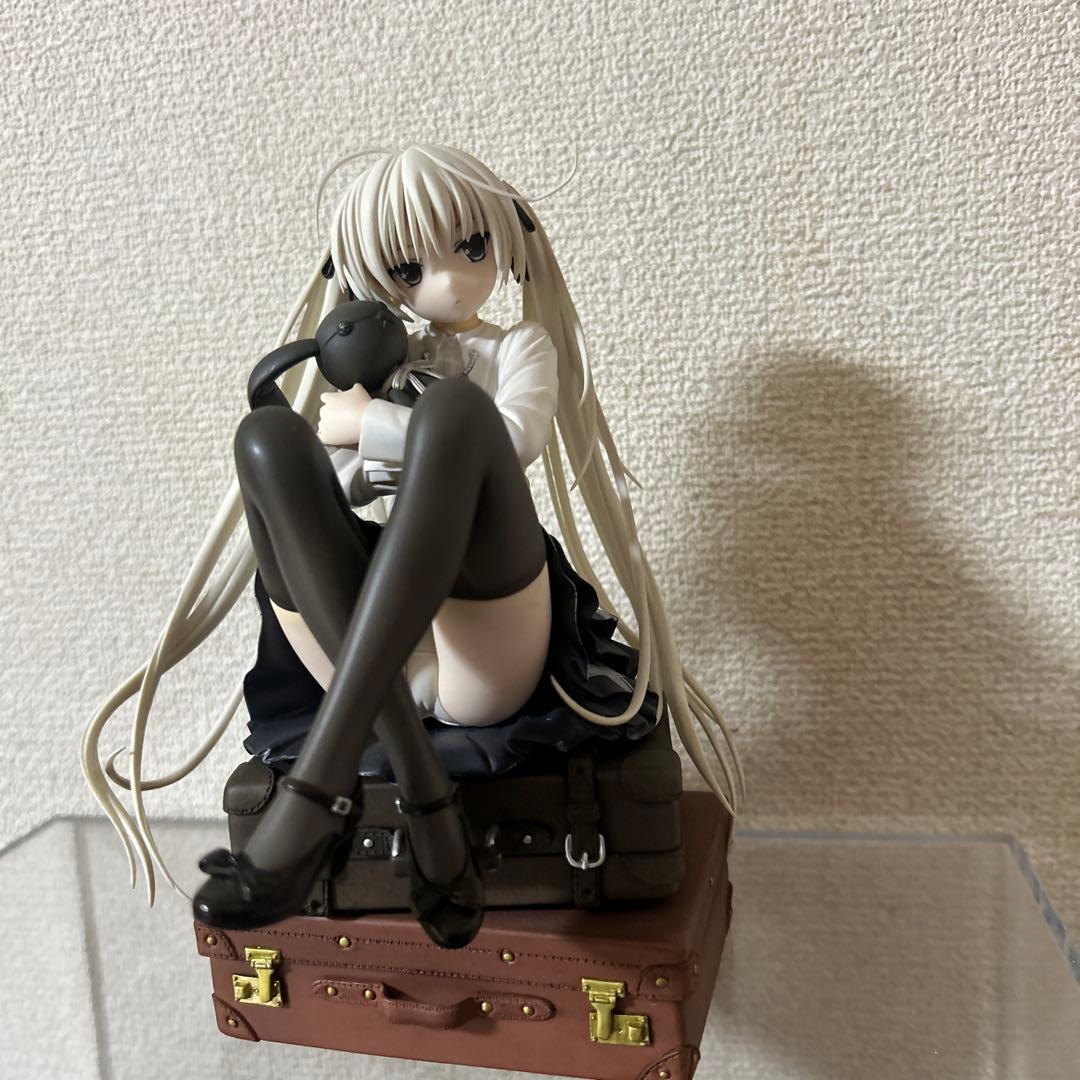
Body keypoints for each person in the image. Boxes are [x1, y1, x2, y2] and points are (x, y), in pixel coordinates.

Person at [82, 144, 744, 948]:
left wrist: (377, 423)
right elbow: (343, 490)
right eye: (409, 268)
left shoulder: (519, 347)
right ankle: (431, 805)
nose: (450, 279)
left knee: (458, 416)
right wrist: (355, 431)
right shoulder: (387, 359)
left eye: (471, 247)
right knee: (266, 440)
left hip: (481, 634)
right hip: (371, 642)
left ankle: (316, 795)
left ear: (507, 238)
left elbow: (512, 440)